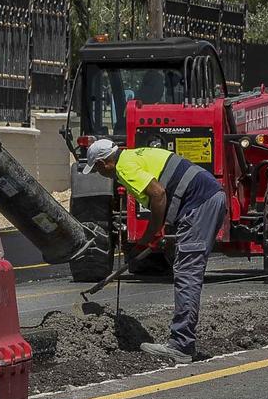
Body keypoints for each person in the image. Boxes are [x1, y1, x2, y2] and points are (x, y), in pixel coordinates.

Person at [80, 137, 226, 364]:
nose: (100, 173)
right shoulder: (133, 155)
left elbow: (158, 194)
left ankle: (181, 346)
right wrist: (167, 232)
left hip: (199, 202)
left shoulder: (124, 167)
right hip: (206, 197)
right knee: (187, 269)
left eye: (98, 168)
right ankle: (182, 342)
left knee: (187, 273)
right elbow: (170, 189)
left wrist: (150, 235)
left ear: (104, 162)